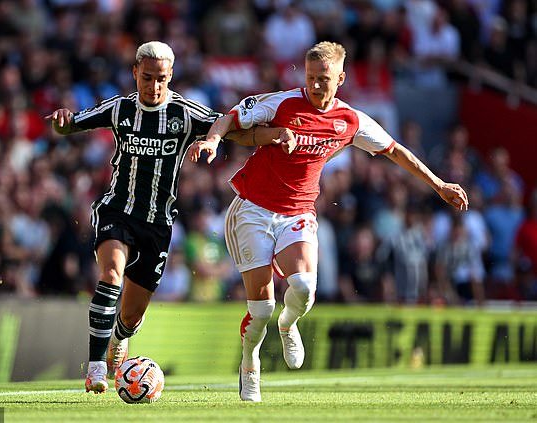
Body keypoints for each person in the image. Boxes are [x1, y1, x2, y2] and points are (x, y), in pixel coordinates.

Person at [190, 41, 469, 402]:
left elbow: (395, 150)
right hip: (253, 210)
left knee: (304, 287)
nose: (316, 85)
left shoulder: (350, 120)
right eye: (310, 77)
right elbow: (230, 118)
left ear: (341, 78)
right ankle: (250, 363)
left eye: (323, 79)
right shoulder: (284, 103)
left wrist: (439, 184)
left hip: (298, 213)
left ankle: (289, 324)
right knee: (260, 310)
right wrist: (213, 141)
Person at [46, 41, 296, 394]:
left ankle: (120, 336)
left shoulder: (185, 113)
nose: (154, 86)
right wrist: (61, 122)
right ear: (135, 73)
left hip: (158, 224)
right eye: (147, 78)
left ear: (171, 76)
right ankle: (96, 367)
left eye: (161, 79)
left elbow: (233, 131)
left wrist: (272, 135)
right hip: (118, 210)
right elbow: (73, 124)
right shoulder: (120, 109)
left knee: (131, 316)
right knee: (111, 274)